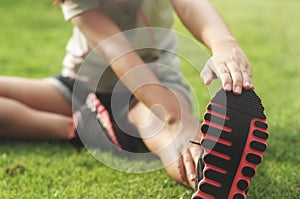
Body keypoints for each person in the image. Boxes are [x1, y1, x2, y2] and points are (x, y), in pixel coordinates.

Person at [0, 0, 264, 198]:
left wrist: (224, 43)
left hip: (155, 84)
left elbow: (191, 6)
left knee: (171, 130)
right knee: (171, 120)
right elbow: (116, 50)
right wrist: (172, 116)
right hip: (80, 88)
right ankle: (76, 128)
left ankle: (209, 168)